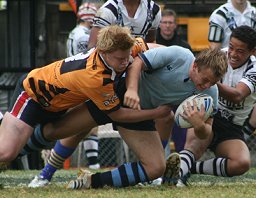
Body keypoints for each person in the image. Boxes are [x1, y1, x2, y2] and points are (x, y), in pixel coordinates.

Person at [28, 45, 227, 188]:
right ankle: (38, 168)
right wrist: (132, 90)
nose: (207, 86)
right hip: (116, 95)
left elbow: (205, 133)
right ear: (194, 66)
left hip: (140, 115)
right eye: (205, 80)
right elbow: (138, 62)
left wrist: (199, 125)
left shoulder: (210, 93)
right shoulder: (179, 56)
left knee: (156, 167)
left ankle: (91, 181)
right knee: (57, 131)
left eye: (213, 83)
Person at [0, 25, 170, 167]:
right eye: (119, 59)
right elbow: (117, 114)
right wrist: (157, 113)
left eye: (127, 56)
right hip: (33, 96)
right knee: (6, 152)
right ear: (103, 52)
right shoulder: (94, 77)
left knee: (51, 135)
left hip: (59, 103)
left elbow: (159, 51)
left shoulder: (124, 47)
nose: (125, 62)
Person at [167, 25, 256, 187]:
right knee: (193, 146)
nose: (233, 54)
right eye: (232, 47)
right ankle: (176, 178)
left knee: (241, 163)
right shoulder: (219, 56)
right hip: (208, 111)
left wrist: (209, 81)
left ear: (252, 51)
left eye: (240, 51)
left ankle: (189, 167)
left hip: (232, 126)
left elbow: (238, 95)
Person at [208, 0, 256, 139]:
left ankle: (238, 139)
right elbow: (214, 48)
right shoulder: (219, 14)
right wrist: (215, 74)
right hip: (225, 69)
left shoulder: (255, 14)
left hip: (248, 71)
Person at [65, 2, 101, 169]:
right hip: (80, 80)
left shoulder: (74, 32)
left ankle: (93, 163)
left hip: (75, 78)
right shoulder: (84, 36)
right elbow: (86, 56)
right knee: (87, 124)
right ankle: (93, 164)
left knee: (88, 124)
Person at [155, 8, 192, 153]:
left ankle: (181, 164)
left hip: (179, 95)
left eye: (170, 22)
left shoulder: (185, 47)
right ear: (159, 25)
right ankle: (157, 163)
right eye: (164, 22)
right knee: (157, 133)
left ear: (175, 25)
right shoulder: (152, 43)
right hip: (157, 94)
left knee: (181, 134)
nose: (167, 25)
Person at [88, 0, 161, 48]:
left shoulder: (154, 9)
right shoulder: (107, 10)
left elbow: (151, 41)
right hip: (111, 63)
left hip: (140, 62)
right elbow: (92, 47)